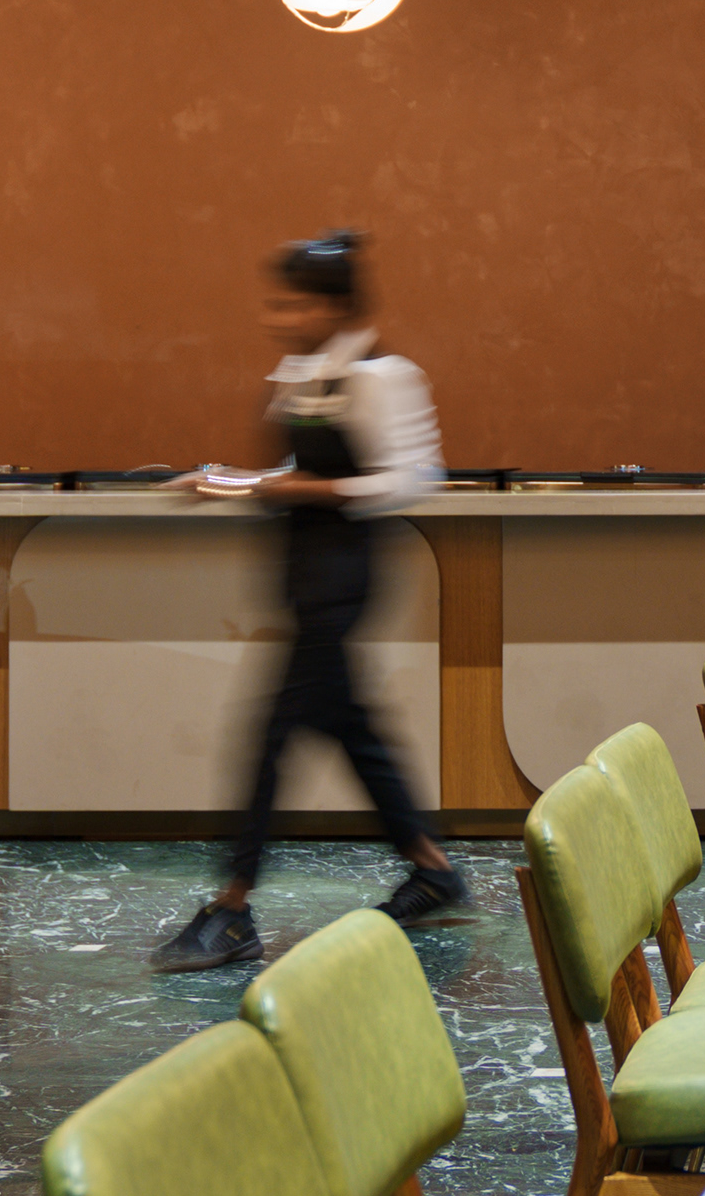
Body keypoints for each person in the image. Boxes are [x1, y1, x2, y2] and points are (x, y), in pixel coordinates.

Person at [149, 229, 468, 972]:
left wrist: (305, 488)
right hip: (304, 576)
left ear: (330, 306)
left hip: (344, 578)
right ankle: (432, 869)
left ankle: (233, 907)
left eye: (291, 305)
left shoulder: (383, 376)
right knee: (353, 729)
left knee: (270, 737)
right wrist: (230, 482)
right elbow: (284, 473)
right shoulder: (304, 373)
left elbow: (412, 478)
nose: (278, 318)